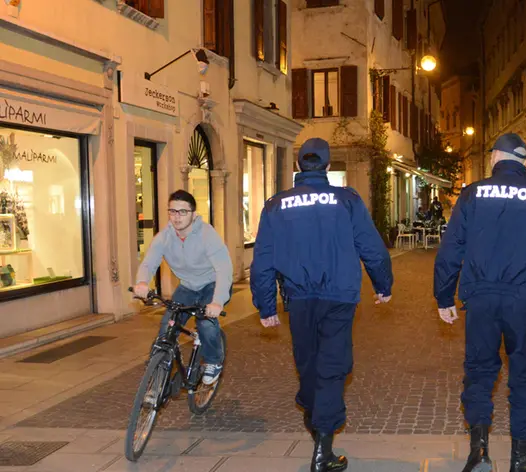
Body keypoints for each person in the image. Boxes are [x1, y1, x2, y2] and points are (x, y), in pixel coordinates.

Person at [434, 133, 526, 472]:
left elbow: (451, 249)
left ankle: (479, 451)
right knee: (524, 376)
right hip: (523, 301)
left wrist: (444, 295)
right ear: (524, 162)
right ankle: (519, 456)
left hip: (481, 300)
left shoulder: (471, 195)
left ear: (496, 158)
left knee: (479, 373)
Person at [250, 137, 393, 472]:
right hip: (340, 296)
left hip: (299, 298)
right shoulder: (347, 200)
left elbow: (263, 260)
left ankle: (318, 428)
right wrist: (383, 284)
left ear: (299, 166)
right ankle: (323, 443)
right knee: (331, 366)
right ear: (328, 167)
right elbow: (371, 246)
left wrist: (266, 305)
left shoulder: (275, 205)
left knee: (309, 362)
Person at [134, 190, 233, 385]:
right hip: (188, 287)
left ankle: (213, 361)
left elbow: (224, 269)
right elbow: (149, 263)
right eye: (172, 211)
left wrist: (217, 302)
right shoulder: (165, 237)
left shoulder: (206, 234)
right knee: (167, 325)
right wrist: (143, 282)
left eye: (182, 212)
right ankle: (160, 365)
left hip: (212, 284)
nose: (176, 217)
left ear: (193, 214)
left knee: (206, 322)